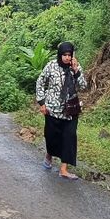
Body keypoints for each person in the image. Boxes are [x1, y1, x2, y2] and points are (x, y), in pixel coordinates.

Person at [35, 41, 86, 180]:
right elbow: (40, 82)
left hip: (70, 111)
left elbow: (83, 86)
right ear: (60, 55)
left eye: (69, 55)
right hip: (52, 109)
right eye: (64, 55)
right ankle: (49, 155)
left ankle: (64, 169)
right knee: (52, 137)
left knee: (69, 137)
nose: (67, 58)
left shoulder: (75, 67)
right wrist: (42, 102)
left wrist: (76, 72)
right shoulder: (51, 66)